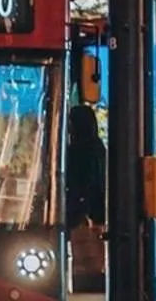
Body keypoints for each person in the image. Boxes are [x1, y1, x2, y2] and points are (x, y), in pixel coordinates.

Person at [66, 104, 106, 289]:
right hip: (95, 210)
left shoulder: (76, 150)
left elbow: (83, 182)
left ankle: (84, 279)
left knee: (83, 248)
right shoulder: (98, 147)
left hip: (82, 211)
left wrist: (82, 208)